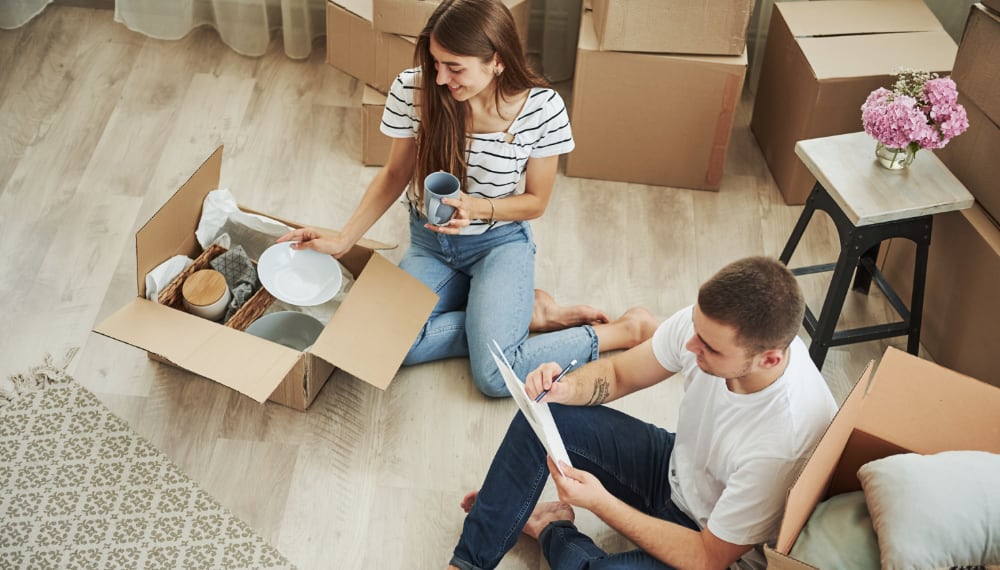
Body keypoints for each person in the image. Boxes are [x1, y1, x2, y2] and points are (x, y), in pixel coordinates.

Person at [278, 0, 655, 397]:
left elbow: (535, 203)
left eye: (455, 67)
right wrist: (342, 240)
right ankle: (522, 314)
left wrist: (477, 209)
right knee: (387, 347)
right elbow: (395, 174)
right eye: (436, 63)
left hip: (499, 244)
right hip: (431, 243)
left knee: (494, 378)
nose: (441, 78)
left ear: (497, 60)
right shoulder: (415, 88)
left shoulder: (542, 109)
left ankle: (622, 331)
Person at [448, 256, 839, 569]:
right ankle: (467, 563)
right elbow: (619, 373)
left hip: (716, 543)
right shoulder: (707, 329)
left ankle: (551, 527)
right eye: (696, 330)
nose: (690, 345)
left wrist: (599, 502)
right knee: (542, 415)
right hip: (676, 467)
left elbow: (706, 558)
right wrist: (566, 389)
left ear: (769, 359)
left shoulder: (781, 443)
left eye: (710, 348)